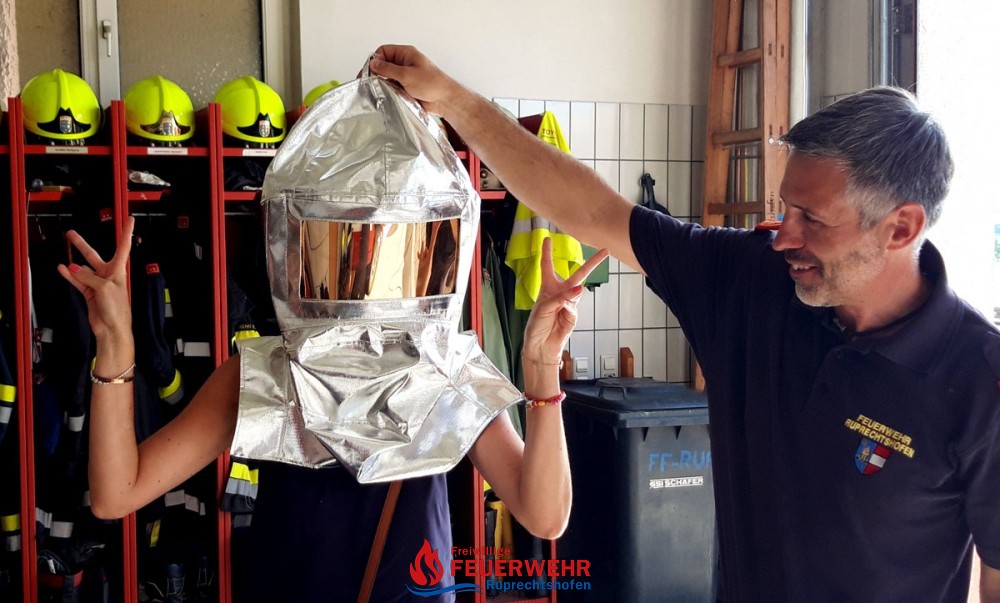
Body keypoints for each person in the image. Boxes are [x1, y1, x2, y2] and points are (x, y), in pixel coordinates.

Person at [369, 46, 1000, 602]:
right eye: (786, 209)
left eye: (812, 218)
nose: (784, 236)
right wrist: (453, 100)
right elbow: (593, 210)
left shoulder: (979, 381)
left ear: (901, 227)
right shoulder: (752, 282)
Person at [58, 217, 608, 602]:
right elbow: (115, 494)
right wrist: (115, 344)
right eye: (345, 232)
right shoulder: (265, 371)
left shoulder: (448, 369)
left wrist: (542, 366)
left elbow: (545, 515)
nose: (365, 254)